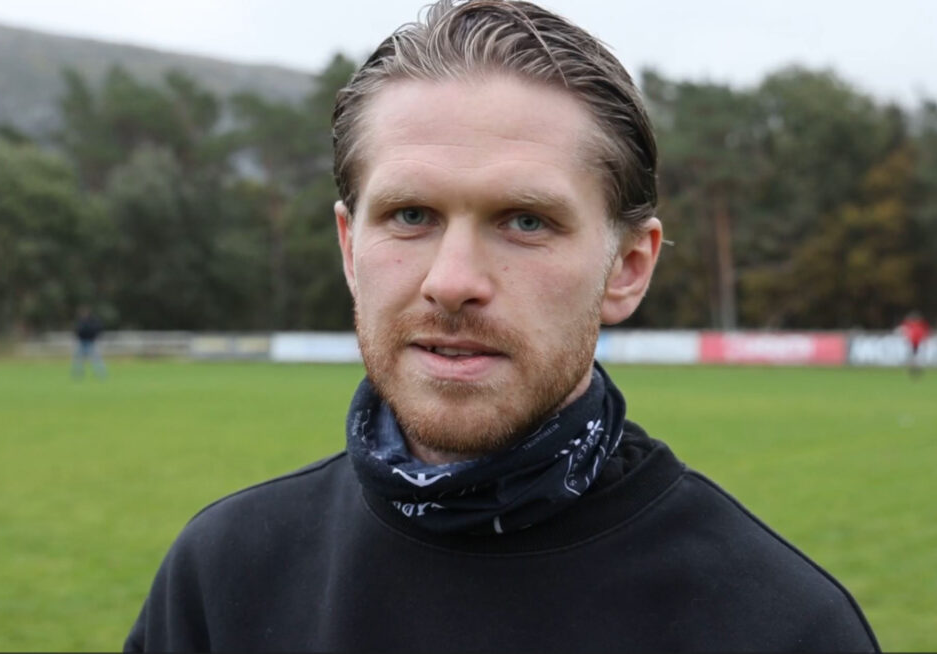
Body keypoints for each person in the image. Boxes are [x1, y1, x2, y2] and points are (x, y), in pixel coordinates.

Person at [125, 1, 878, 651]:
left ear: (627, 267)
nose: (452, 281)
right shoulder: (221, 577)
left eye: (525, 221)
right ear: (351, 249)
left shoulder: (778, 626)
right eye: (410, 215)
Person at [71, 306, 106, 379]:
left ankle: (101, 375)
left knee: (96, 359)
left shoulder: (92, 321)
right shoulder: (80, 321)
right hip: (82, 342)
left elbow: (98, 329)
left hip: (90, 342)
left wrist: (94, 336)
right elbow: (77, 330)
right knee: (78, 360)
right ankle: (77, 375)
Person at [899, 311, 931, 377]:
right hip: (912, 343)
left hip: (919, 343)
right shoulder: (910, 325)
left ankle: (917, 370)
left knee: (918, 358)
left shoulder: (921, 325)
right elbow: (904, 330)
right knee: (912, 357)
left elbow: (926, 333)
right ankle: (911, 369)